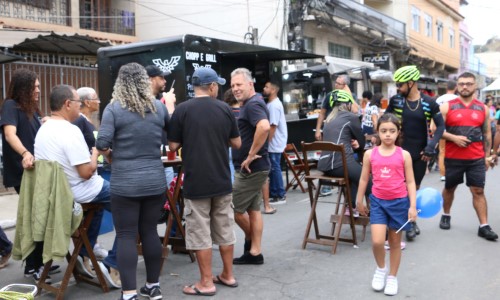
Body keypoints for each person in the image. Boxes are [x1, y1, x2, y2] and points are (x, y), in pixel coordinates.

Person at [34, 84, 121, 289]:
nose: (79, 106)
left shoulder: (43, 129)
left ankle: (83, 254)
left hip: (56, 194)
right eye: (77, 103)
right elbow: (86, 172)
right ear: (67, 104)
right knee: (133, 208)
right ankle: (112, 263)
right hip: (81, 191)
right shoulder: (70, 131)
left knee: (97, 210)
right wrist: (95, 153)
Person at [96, 63, 169, 300]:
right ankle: (153, 286)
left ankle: (129, 293)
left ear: (120, 82)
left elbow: (102, 143)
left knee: (127, 234)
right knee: (149, 231)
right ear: (144, 81)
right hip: (154, 181)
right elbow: (169, 138)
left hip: (125, 182)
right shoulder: (158, 107)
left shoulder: (113, 109)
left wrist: (111, 157)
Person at [168, 67, 241, 296]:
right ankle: (228, 275)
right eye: (217, 85)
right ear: (211, 87)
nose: (218, 89)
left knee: (200, 233)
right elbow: (237, 143)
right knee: (225, 229)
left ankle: (206, 282)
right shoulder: (225, 109)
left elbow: (172, 146)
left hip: (196, 183)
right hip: (221, 180)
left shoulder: (182, 110)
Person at [0, 68, 59, 283]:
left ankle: (38, 263)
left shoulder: (31, 109)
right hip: (22, 172)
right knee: (37, 219)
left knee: (41, 218)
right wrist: (25, 153)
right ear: (24, 88)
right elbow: (9, 134)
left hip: (37, 171)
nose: (38, 90)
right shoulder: (10, 106)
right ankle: (33, 266)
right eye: (34, 87)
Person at [356, 113, 417, 296]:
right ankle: (381, 269)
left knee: (395, 242)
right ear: (378, 133)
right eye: (384, 131)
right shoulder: (370, 154)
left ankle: (392, 277)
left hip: (399, 203)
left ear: (398, 132)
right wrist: (359, 200)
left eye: (392, 131)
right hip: (378, 203)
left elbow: (411, 182)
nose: (388, 135)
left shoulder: (404, 155)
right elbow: (364, 178)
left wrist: (412, 206)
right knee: (377, 241)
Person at [385, 65, 444, 241]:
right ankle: (406, 222)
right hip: (398, 154)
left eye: (400, 84)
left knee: (413, 190)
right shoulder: (396, 101)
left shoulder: (429, 102)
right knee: (398, 189)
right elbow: (385, 121)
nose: (398, 87)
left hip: (420, 154)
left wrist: (431, 146)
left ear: (411, 83)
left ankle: (411, 221)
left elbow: (441, 126)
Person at [438, 72, 498, 241]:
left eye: (469, 84)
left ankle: (484, 226)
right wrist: (453, 138)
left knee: (478, 190)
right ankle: (446, 214)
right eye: (462, 83)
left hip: (476, 159)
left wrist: (488, 156)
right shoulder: (447, 106)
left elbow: (487, 133)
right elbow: (436, 129)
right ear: (457, 85)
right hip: (453, 157)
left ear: (475, 86)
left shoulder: (483, 108)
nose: (465, 86)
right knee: (450, 188)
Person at [230, 68, 270, 265]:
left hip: (250, 169)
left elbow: (264, 127)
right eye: (233, 86)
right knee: (253, 210)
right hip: (252, 167)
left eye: (239, 84)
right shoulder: (251, 103)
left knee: (233, 209)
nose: (236, 89)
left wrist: (251, 154)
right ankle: (255, 252)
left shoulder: (253, 104)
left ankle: (252, 243)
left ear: (250, 84)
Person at [317, 90, 370, 215]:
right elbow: (361, 140)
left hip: (325, 165)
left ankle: (350, 207)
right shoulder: (350, 116)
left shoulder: (329, 119)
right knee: (366, 177)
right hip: (341, 164)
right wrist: (358, 146)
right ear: (348, 104)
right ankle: (379, 210)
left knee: (355, 172)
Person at [315, 75, 359, 196]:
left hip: (347, 131)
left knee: (348, 158)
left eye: (339, 84)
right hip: (331, 128)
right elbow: (322, 113)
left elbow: (355, 111)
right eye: (336, 83)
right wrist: (318, 130)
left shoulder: (351, 96)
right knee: (330, 153)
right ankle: (327, 187)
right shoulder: (330, 95)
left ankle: (349, 193)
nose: (336, 85)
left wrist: (349, 94)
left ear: (345, 86)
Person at [146, 65, 176, 188]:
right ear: (151, 79)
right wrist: (169, 106)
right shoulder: (144, 103)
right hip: (150, 167)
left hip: (164, 162)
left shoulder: (158, 102)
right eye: (161, 77)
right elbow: (174, 133)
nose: (165, 81)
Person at [263, 81, 287, 209]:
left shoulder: (274, 105)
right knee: (273, 167)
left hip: (274, 141)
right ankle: (275, 193)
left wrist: (266, 143)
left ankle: (279, 194)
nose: (264, 89)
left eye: (266, 87)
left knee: (274, 167)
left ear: (273, 90)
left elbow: (272, 126)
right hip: (276, 141)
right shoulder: (272, 104)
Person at [434, 80, 457, 181]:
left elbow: (434, 114)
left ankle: (443, 174)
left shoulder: (439, 99)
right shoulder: (457, 99)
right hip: (455, 129)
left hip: (442, 128)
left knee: (442, 152)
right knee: (455, 151)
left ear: (446, 88)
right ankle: (454, 172)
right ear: (455, 88)